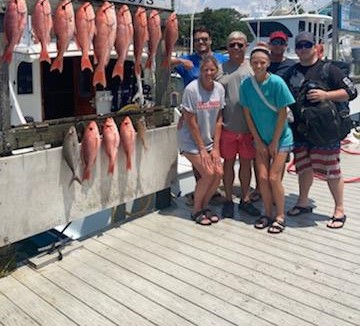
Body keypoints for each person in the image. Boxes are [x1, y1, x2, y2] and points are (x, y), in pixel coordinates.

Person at [283, 31, 357, 229]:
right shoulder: (292, 72)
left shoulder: (329, 69)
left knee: (331, 170)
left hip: (325, 131)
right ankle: (303, 202)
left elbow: (351, 92)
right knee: (303, 168)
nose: (303, 49)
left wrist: (326, 95)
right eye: (299, 46)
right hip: (300, 129)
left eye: (307, 44)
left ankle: (339, 208)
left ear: (316, 46)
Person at [240, 43, 295, 233]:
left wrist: (273, 142)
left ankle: (280, 215)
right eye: (255, 62)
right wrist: (258, 140)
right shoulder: (246, 85)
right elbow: (247, 114)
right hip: (260, 138)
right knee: (262, 178)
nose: (258, 65)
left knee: (273, 177)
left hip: (281, 138)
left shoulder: (277, 83)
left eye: (262, 62)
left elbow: (282, 114)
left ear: (268, 63)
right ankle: (267, 213)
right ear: (250, 63)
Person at [173, 26, 227, 205]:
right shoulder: (188, 59)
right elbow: (163, 63)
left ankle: (206, 193)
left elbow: (239, 62)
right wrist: (179, 61)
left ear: (211, 40)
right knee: (201, 163)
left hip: (213, 115)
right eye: (197, 40)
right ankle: (201, 196)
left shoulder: (221, 59)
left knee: (212, 163)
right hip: (193, 116)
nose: (201, 42)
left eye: (204, 39)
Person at [217, 31, 260, 219]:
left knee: (245, 165)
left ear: (246, 46)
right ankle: (227, 199)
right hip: (227, 127)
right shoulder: (219, 68)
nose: (235, 47)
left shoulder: (253, 68)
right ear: (227, 47)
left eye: (239, 44)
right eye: (232, 44)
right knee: (227, 165)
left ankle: (245, 199)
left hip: (248, 129)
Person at [177, 55, 225, 225]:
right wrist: (203, 149)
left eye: (212, 70)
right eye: (205, 70)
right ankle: (196, 210)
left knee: (219, 173)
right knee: (208, 173)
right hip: (190, 140)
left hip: (209, 140)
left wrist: (216, 148)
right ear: (200, 71)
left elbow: (219, 119)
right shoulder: (192, 89)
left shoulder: (219, 89)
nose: (209, 73)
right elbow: (191, 122)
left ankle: (204, 206)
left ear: (217, 71)